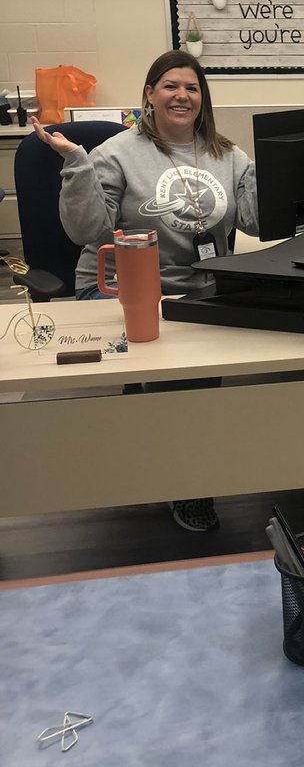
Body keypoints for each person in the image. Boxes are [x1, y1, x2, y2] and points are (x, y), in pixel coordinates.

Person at [32, 49, 259, 532]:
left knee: (196, 383)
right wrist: (75, 163)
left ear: (203, 98)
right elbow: (88, 231)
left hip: (197, 292)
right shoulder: (114, 153)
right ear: (150, 95)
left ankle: (177, 461)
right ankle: (184, 481)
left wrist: (276, 171)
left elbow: (258, 220)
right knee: (178, 382)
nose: (182, 95)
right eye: (171, 86)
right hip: (118, 288)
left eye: (192, 88)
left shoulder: (228, 154)